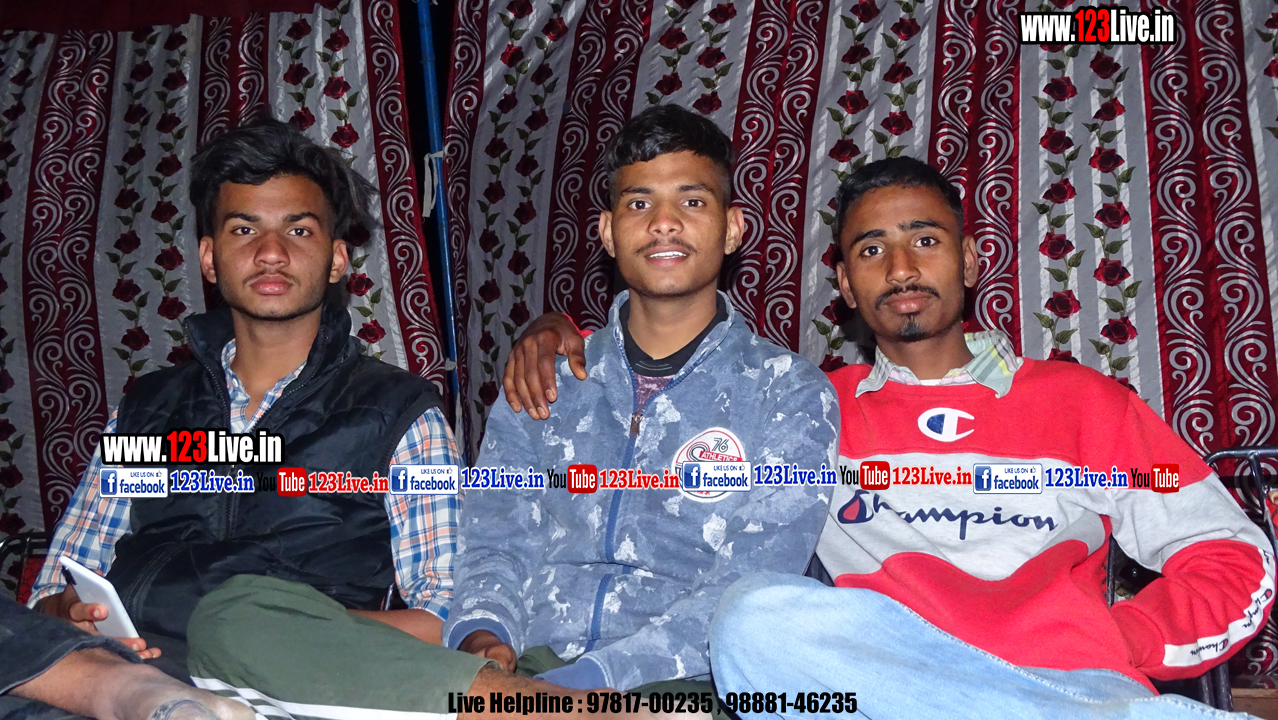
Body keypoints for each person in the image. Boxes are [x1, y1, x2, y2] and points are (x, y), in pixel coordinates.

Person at [503, 157, 1275, 718]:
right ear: (845, 283)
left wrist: (1122, 639)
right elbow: (658, 448)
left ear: (970, 260)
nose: (900, 268)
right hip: (880, 691)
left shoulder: (1084, 404)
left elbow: (1233, 556)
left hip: (1067, 685)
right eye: (871, 250)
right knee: (753, 618)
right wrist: (560, 336)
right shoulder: (809, 408)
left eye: (925, 241)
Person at [30, 119, 468, 715]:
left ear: (337, 259)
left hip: (293, 686)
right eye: (244, 229)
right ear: (209, 258)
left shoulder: (398, 415)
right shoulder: (148, 409)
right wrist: (65, 611)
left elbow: (445, 614)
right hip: (124, 673)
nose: (270, 253)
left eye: (299, 229)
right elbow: (59, 585)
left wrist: (283, 635)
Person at [444, 104, 838, 709]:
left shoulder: (787, 393)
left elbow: (754, 583)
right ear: (607, 232)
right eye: (638, 203)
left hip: (687, 681)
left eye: (692, 201)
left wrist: (586, 683)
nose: (664, 223)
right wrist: (483, 637)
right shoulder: (545, 380)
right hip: (529, 662)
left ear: (733, 229)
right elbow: (494, 539)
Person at [0, 596, 253, 720]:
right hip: (57, 648)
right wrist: (64, 607)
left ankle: (131, 688)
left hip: (189, 662)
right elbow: (37, 607)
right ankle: (130, 688)